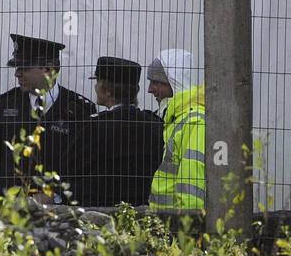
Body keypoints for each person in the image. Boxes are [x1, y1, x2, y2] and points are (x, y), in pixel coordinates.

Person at [0, 34, 95, 201]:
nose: (17, 74)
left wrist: (56, 197)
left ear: (48, 68)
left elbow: (86, 168)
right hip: (6, 207)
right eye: (16, 67)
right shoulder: (5, 103)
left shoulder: (79, 109)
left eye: (24, 68)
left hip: (56, 212)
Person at [72, 56, 164, 206]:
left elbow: (71, 168)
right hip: (141, 208)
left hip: (99, 209)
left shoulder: (95, 127)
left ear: (107, 91)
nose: (95, 88)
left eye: (97, 82)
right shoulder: (155, 124)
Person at [146, 49, 207, 212]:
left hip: (179, 226)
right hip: (166, 223)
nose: (149, 90)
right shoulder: (176, 117)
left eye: (156, 82)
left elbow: (192, 182)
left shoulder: (194, 120)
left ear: (175, 81)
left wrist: (188, 226)